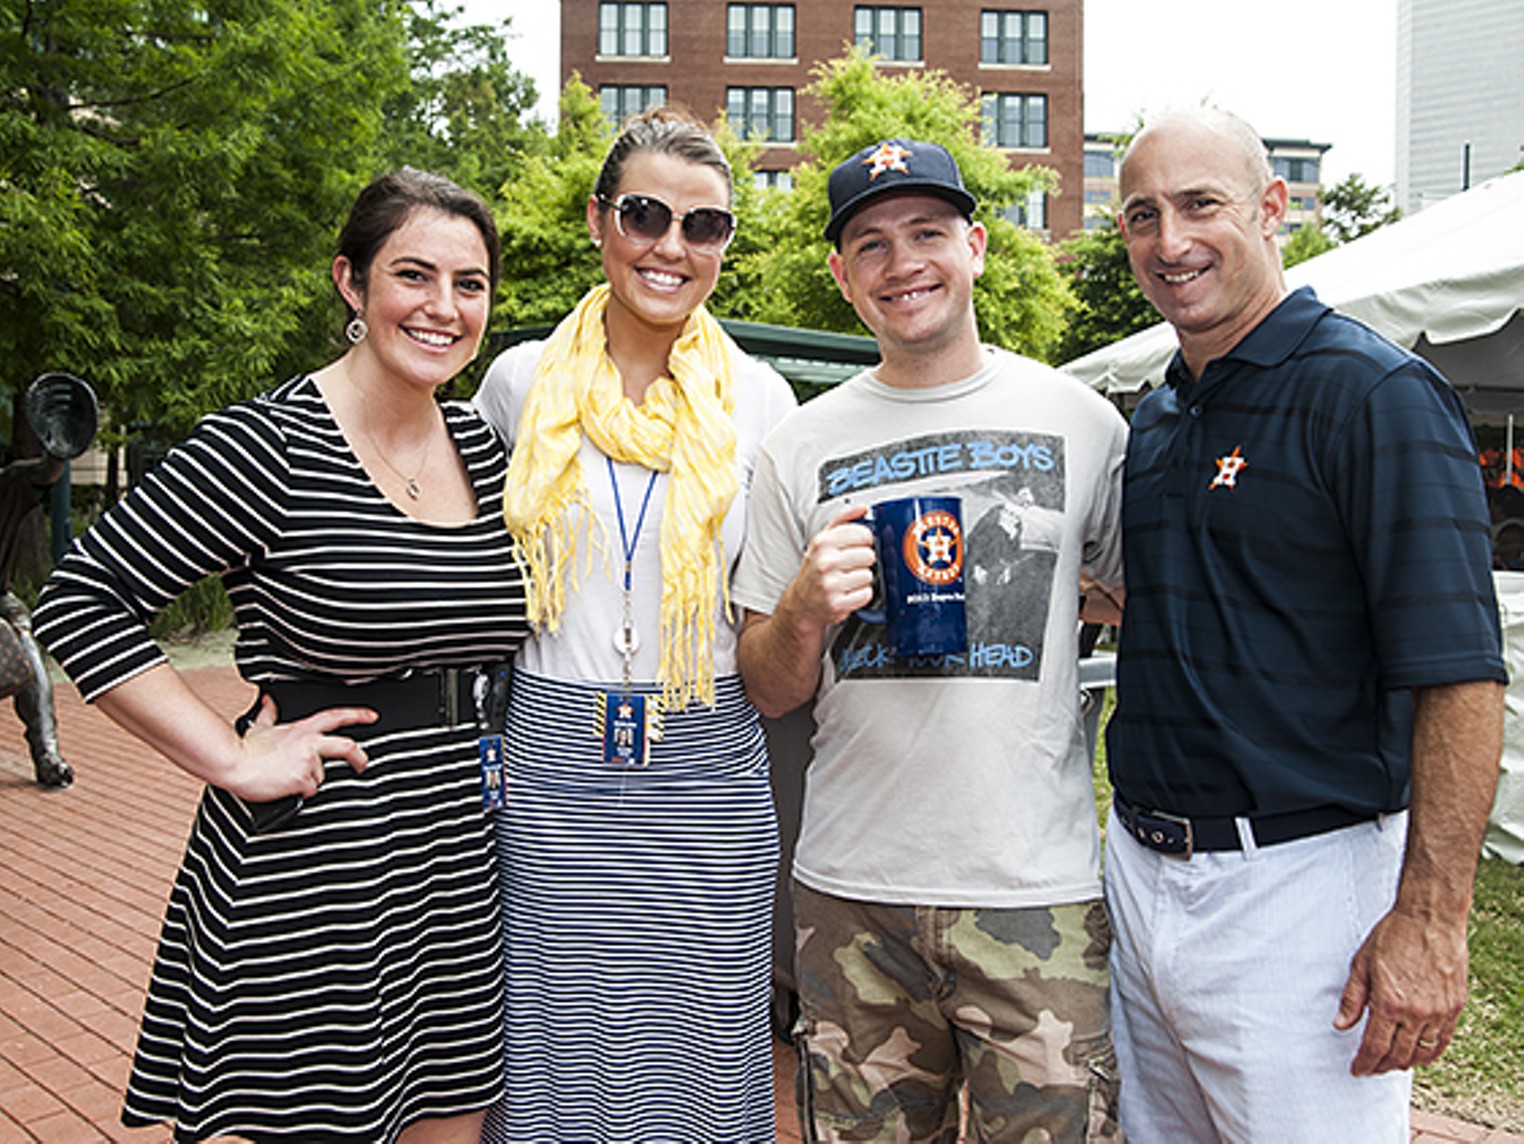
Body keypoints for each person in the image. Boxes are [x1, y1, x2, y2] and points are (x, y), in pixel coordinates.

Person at [33, 168, 528, 1142]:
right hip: (316, 863)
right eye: (413, 275)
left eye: (469, 284)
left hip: (458, 866)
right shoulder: (272, 444)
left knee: (453, 1123)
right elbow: (80, 598)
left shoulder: (485, 444)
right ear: (351, 281)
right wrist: (228, 755)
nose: (443, 307)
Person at [1106, 106, 1506, 1142]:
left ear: (1274, 209)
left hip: (1302, 888)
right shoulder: (1158, 416)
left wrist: (1431, 918)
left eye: (1201, 205)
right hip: (1141, 873)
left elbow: (1462, 676)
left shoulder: (1375, 393)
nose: (1171, 241)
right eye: (1142, 216)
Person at [733, 138, 1127, 1142]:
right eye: (871, 243)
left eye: (927, 232)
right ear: (842, 275)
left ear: (978, 246)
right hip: (852, 893)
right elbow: (765, 684)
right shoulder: (797, 447)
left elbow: (1147, 600)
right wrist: (805, 609)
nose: (902, 261)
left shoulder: (1081, 422)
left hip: (1036, 895)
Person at [471, 106, 796, 1142]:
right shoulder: (517, 382)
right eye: (648, 214)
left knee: (702, 1044)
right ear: (599, 220)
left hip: (704, 755)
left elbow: (770, 604)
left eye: (705, 226)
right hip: (552, 760)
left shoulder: (763, 398)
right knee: (556, 1039)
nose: (672, 246)